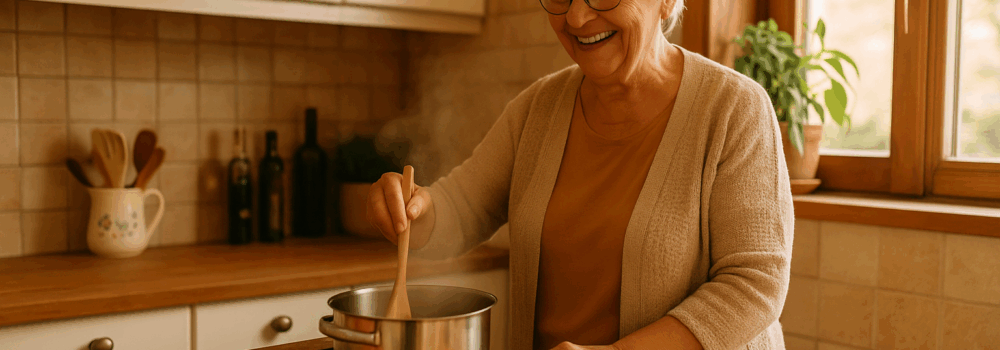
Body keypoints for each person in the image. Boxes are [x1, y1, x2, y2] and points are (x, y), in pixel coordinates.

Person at [366, 0, 795, 348]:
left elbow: (754, 285)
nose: (575, 17)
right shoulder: (538, 107)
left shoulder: (734, 108)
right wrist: (412, 209)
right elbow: (461, 209)